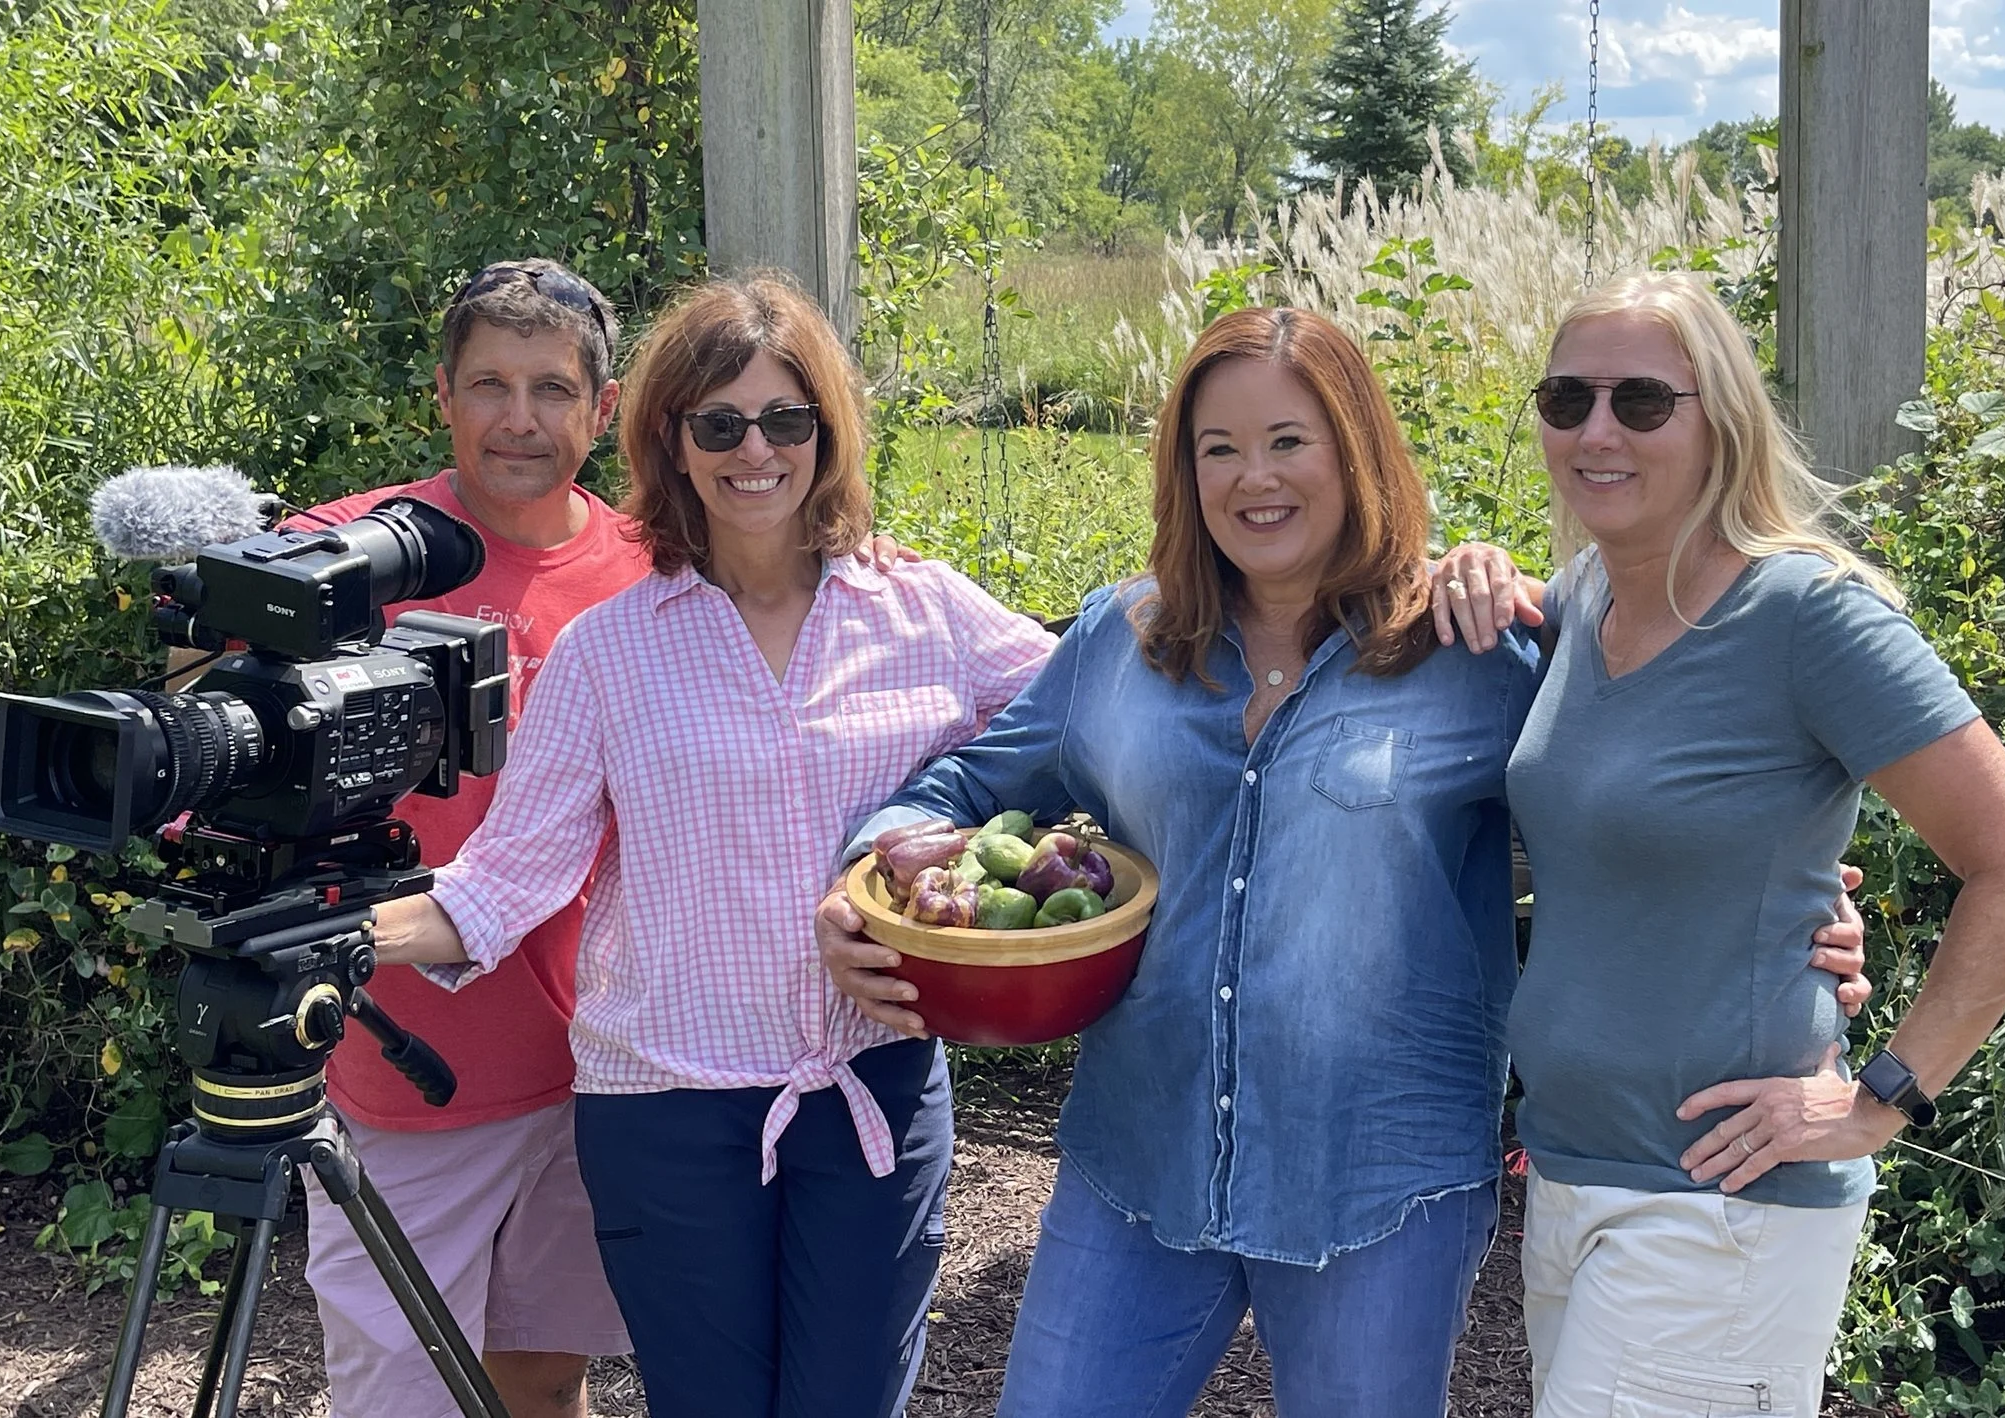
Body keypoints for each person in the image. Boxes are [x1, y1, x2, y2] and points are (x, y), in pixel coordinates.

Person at [814, 306, 1873, 1418]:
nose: (1251, 478)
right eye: (1215, 448)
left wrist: (1782, 921)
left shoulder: (1479, 652)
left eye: (1287, 440)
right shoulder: (1116, 644)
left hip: (1380, 1189)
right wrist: (864, 878)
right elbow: (964, 789)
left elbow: (1656, 810)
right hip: (1136, 1165)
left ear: (1354, 448)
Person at [368, 270, 1059, 1418]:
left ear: (826, 433)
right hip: (666, 1111)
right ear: (669, 439)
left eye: (787, 418)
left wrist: (964, 844)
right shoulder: (610, 651)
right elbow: (504, 879)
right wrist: (334, 935)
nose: (756, 450)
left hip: (872, 1085)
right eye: (720, 422)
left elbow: (1083, 714)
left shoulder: (922, 610)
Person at [1501, 273, 2005, 1417]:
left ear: (1720, 418)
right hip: (1570, 1171)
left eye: (1642, 402)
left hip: (1723, 1202)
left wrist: (1879, 1098)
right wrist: (1470, 568)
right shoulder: (1580, 602)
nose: (1595, 430)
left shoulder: (1808, 614)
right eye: (1566, 398)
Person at [288, 258, 644, 1418]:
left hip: (602, 1060)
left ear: (602, 408)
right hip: (412, 1072)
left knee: (542, 1379)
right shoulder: (353, 554)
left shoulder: (655, 568)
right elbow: (219, 700)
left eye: (552, 387)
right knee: (400, 1394)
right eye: (490, 383)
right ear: (442, 395)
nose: (520, 418)